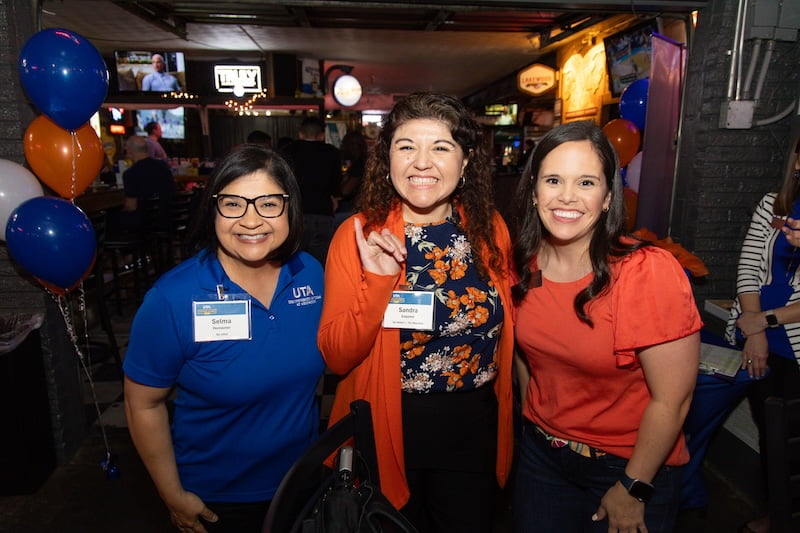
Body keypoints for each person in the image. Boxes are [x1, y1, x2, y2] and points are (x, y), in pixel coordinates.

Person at [318, 92, 515, 532]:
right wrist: (379, 284)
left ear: (464, 163)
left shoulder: (489, 230)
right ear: (386, 159)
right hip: (391, 427)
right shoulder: (358, 235)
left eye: (441, 148)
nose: (421, 163)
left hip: (472, 426)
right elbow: (336, 356)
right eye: (406, 146)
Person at [510, 120, 702, 533]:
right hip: (542, 461)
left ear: (608, 196)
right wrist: (534, 427)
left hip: (627, 466)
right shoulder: (524, 266)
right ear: (533, 191)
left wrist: (634, 485)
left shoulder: (646, 272)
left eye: (586, 182)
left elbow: (674, 400)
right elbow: (526, 358)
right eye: (553, 180)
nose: (566, 196)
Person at [123, 144, 325, 533]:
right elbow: (142, 404)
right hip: (217, 502)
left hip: (303, 486)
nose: (251, 220)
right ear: (213, 209)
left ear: (289, 209)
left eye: (268, 204)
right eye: (233, 204)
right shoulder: (173, 298)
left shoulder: (310, 274)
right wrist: (171, 494)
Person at [725, 136, 800, 533]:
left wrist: (766, 321)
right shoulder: (773, 203)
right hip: (760, 337)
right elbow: (748, 265)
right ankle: (777, 514)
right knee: (771, 436)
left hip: (791, 339)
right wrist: (754, 327)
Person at [280, 116, 342, 265]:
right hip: (323, 212)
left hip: (296, 213)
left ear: (301, 133)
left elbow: (281, 181)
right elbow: (336, 184)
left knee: (293, 260)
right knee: (320, 262)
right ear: (321, 135)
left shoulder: (288, 151)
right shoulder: (331, 152)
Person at [109, 135, 176, 235]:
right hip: (167, 218)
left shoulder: (130, 174)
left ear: (129, 150)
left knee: (110, 219)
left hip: (143, 224)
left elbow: (131, 206)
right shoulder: (163, 166)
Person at [334, 129, 368, 228]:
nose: (353, 147)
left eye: (354, 144)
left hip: (351, 207)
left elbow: (346, 190)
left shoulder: (359, 165)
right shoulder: (358, 163)